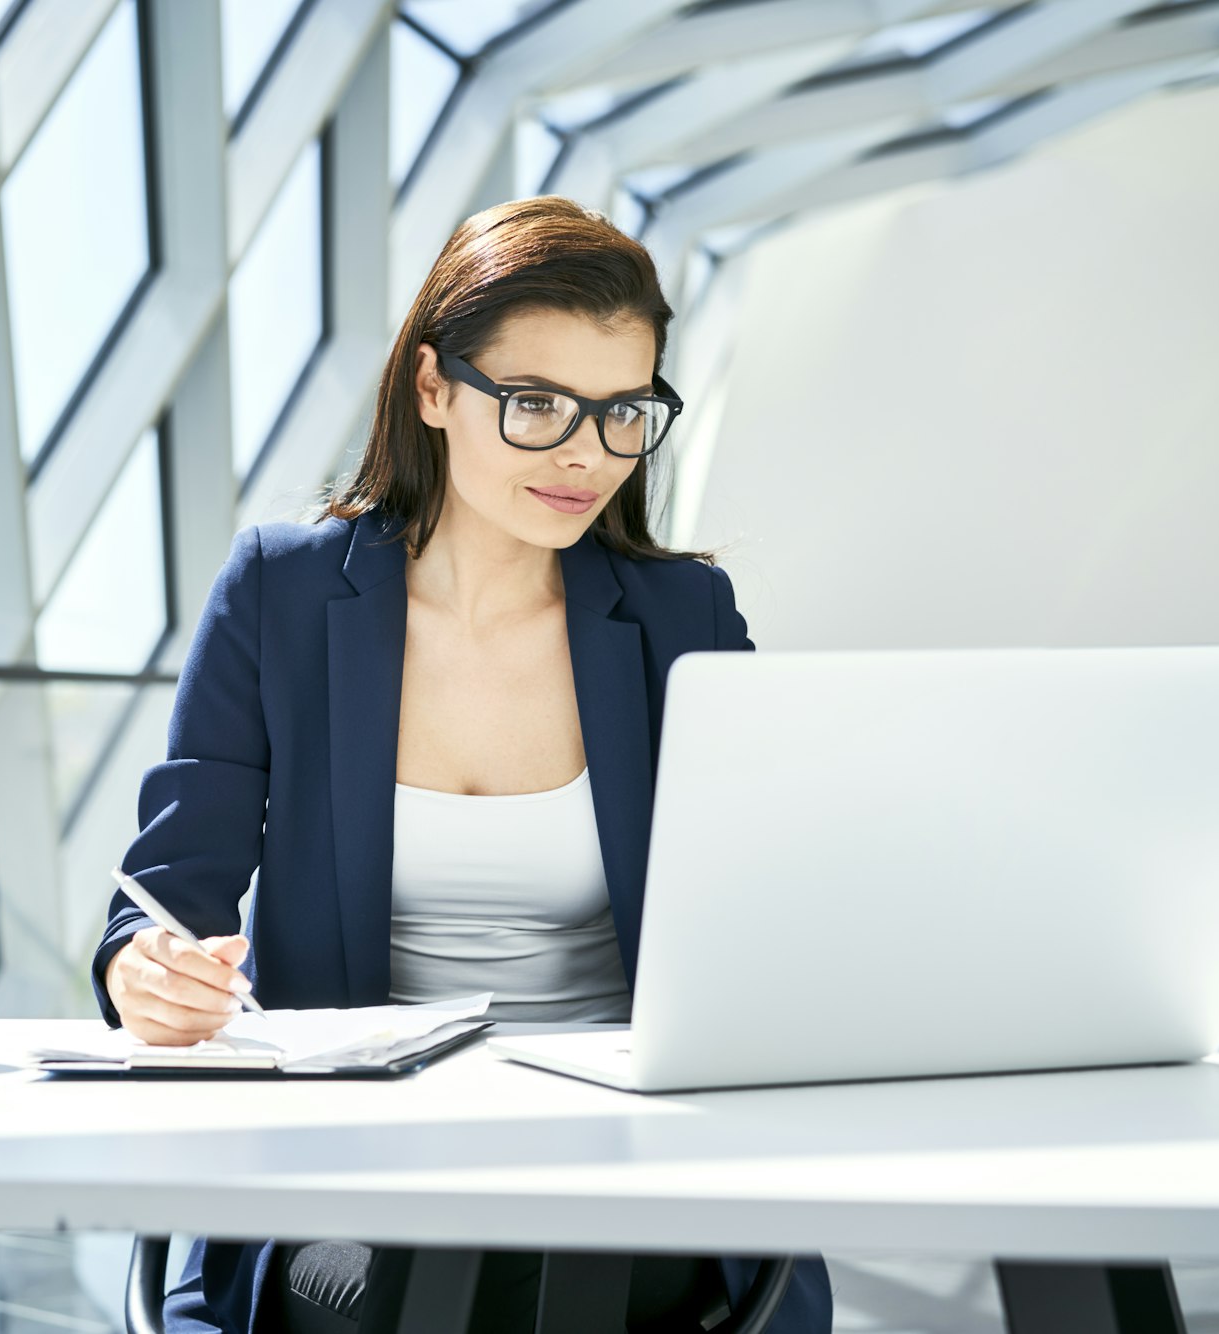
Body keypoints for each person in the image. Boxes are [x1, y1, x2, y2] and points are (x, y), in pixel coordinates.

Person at [90, 196, 831, 1333]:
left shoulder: (681, 616)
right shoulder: (281, 596)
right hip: (359, 1170)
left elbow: (775, 903)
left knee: (545, 1269)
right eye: (534, 404)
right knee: (454, 1275)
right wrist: (145, 970)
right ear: (432, 388)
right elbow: (161, 898)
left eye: (622, 410)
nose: (586, 452)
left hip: (629, 1159)